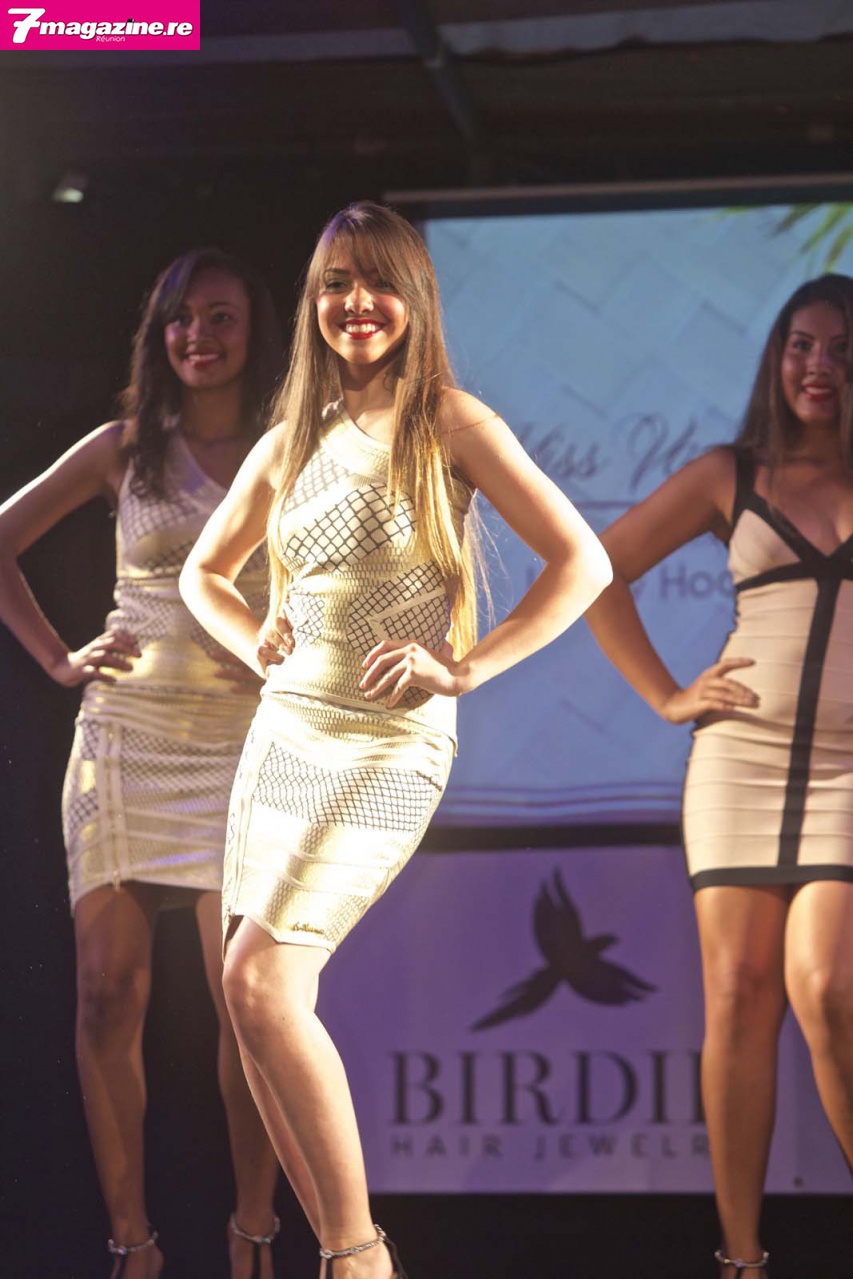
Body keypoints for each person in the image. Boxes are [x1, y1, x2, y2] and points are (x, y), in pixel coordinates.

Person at [178, 200, 612, 1278]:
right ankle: (343, 1255)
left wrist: (465, 667)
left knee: (262, 981)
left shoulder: (449, 423)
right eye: (334, 284)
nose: (354, 303)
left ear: (413, 298)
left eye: (375, 282)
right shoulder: (292, 437)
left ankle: (358, 1254)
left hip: (386, 746)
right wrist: (255, 633)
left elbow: (584, 563)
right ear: (312, 304)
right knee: (249, 999)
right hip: (285, 733)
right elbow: (202, 575)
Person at [0, 247, 285, 1279]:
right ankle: (133, 1243)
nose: (198, 336)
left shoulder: (289, 448)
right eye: (181, 318)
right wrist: (58, 659)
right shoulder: (125, 448)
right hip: (124, 739)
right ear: (159, 335)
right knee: (105, 992)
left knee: (244, 1001)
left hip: (245, 742)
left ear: (254, 332)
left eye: (221, 317)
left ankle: (252, 1228)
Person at [585, 273, 853, 1277]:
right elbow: (595, 571)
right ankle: (742, 1260)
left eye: (840, 349)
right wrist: (665, 695)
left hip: (848, 774)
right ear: (775, 357)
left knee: (826, 988)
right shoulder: (727, 473)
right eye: (800, 345)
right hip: (737, 764)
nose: (817, 366)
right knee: (737, 997)